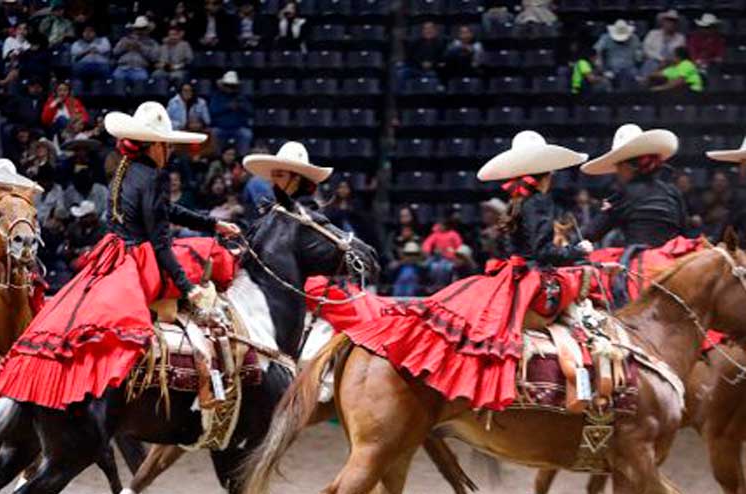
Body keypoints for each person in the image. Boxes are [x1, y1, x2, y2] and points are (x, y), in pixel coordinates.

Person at [0, 100, 241, 411]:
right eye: (165, 145)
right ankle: (208, 380)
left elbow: (163, 211)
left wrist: (211, 223)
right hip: (141, 261)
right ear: (153, 145)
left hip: (113, 254)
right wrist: (189, 288)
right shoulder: (154, 176)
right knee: (208, 258)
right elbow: (160, 242)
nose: (169, 152)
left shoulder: (124, 168)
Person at [347, 130, 590, 410]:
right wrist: (578, 251)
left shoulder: (518, 201)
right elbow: (544, 253)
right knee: (584, 282)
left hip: (512, 274)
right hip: (534, 281)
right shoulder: (540, 203)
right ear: (546, 174)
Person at [581, 124, 686, 246]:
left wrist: (606, 209)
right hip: (673, 260)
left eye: (618, 167)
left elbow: (592, 233)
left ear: (627, 167)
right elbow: (684, 231)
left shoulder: (624, 194)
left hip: (639, 261)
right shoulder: (673, 191)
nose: (617, 172)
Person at [242, 140, 331, 214]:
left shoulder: (308, 213)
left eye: (280, 175)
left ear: (296, 179)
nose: (273, 180)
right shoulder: (275, 209)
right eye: (273, 175)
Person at [707, 137, 746, 240]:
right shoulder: (740, 197)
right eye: (742, 164)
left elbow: (726, 228)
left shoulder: (741, 197)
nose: (742, 170)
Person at [209, 70, 253, 155]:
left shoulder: (241, 97)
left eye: (232, 86)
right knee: (214, 133)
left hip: (238, 128)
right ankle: (217, 158)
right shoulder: (217, 96)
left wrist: (240, 106)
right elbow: (212, 111)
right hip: (221, 128)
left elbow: (250, 111)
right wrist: (227, 107)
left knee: (246, 134)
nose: (230, 88)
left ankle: (241, 159)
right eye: (228, 85)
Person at [594, 20, 642, 87]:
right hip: (611, 69)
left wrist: (638, 61)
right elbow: (597, 51)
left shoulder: (634, 38)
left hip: (630, 68)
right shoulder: (606, 38)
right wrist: (601, 67)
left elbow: (639, 56)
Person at [112, 15, 158, 85]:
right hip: (122, 68)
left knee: (142, 80)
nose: (140, 31)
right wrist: (124, 47)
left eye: (142, 29)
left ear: (147, 30)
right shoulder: (125, 39)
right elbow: (115, 52)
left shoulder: (151, 42)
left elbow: (154, 58)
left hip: (139, 69)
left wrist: (140, 47)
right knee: (115, 79)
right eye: (138, 29)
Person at [642, 9, 685, 75]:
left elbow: (679, 55)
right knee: (651, 63)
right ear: (663, 22)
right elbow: (646, 50)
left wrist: (667, 61)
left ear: (676, 24)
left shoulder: (680, 38)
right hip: (654, 61)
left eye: (673, 22)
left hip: (671, 64)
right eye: (668, 21)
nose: (671, 24)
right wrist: (661, 59)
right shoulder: (652, 34)